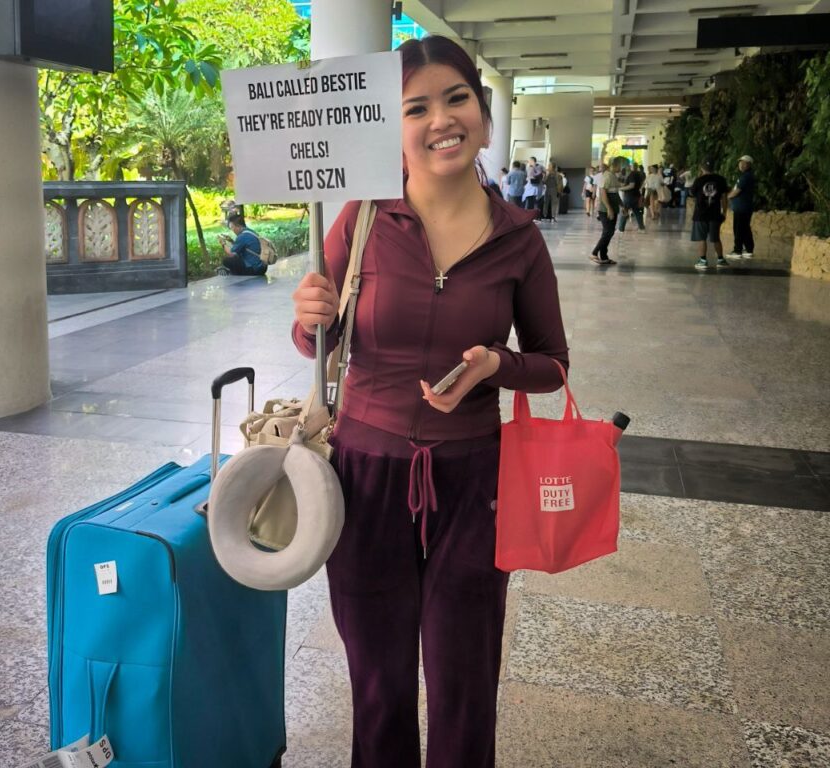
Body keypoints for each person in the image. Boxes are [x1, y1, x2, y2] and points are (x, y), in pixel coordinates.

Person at [290, 35, 568, 768]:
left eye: (456, 99)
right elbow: (315, 340)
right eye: (416, 108)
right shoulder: (364, 218)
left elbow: (552, 365)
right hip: (365, 475)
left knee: (464, 681)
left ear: (483, 114)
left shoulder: (519, 239)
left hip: (475, 482)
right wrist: (310, 316)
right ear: (393, 126)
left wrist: (496, 365)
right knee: (378, 680)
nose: (440, 119)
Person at [690, 159, 730, 271]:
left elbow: (692, 193)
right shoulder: (721, 179)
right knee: (716, 238)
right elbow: (724, 197)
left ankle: (703, 261)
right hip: (715, 214)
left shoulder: (699, 180)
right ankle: (720, 260)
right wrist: (724, 212)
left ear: (702, 168)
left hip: (700, 214)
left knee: (701, 238)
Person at [591, 157, 622, 265]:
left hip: (612, 208)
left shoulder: (612, 176)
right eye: (620, 165)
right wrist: (609, 209)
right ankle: (594, 253)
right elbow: (603, 192)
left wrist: (622, 205)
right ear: (614, 165)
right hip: (605, 210)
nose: (621, 168)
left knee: (609, 232)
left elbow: (615, 193)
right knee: (608, 232)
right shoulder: (607, 176)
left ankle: (604, 257)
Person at [727, 154, 756, 259]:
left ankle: (737, 250)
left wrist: (728, 196)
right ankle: (748, 249)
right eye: (740, 163)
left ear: (749, 165)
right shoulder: (746, 176)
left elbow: (737, 190)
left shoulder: (746, 177)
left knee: (738, 229)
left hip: (741, 208)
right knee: (745, 228)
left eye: (744, 163)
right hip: (744, 207)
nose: (741, 165)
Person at [618, 163, 646, 232]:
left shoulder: (632, 174)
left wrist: (621, 188)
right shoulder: (639, 174)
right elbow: (640, 184)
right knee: (637, 212)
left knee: (624, 211)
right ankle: (641, 228)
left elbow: (631, 185)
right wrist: (623, 185)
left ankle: (621, 229)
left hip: (629, 196)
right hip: (636, 195)